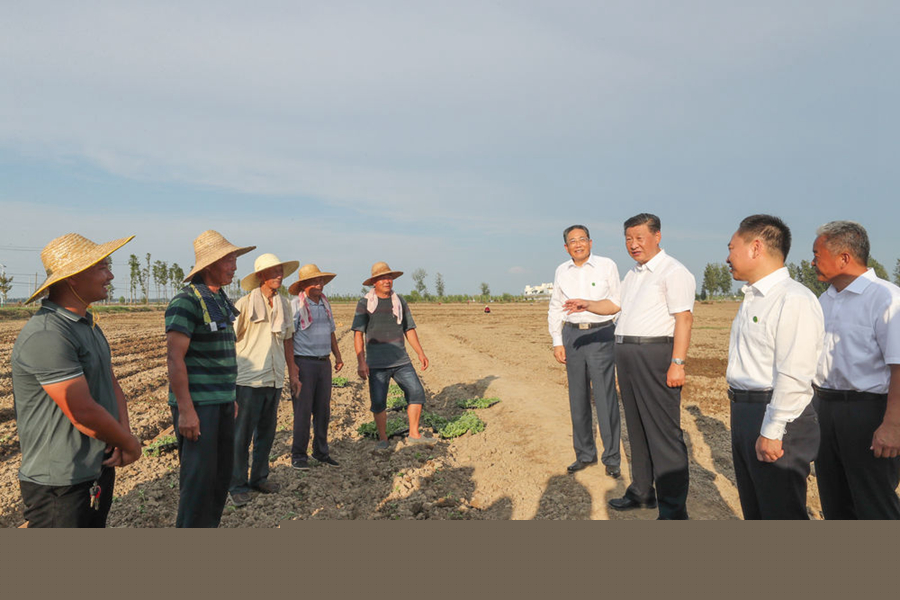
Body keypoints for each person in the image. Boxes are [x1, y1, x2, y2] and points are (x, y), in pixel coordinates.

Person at [566, 213, 695, 519]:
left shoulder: (674, 271)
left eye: (639, 238)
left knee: (663, 434)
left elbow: (684, 319)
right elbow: (615, 305)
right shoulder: (634, 274)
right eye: (628, 239)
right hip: (626, 355)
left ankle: (673, 511)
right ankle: (642, 492)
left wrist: (677, 363)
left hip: (655, 355)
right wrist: (588, 304)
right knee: (636, 429)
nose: (633, 244)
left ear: (657, 236)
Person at [11, 233, 142, 527]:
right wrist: (130, 443)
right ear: (73, 277)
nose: (110, 276)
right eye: (102, 268)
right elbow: (82, 411)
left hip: (96, 467)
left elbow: (111, 382)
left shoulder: (88, 325)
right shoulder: (48, 334)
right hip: (61, 482)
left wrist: (122, 434)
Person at [725, 214, 823, 519]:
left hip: (777, 416)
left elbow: (794, 373)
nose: (728, 258)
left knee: (781, 513)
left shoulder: (793, 299)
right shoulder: (753, 297)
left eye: (731, 248)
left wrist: (772, 429)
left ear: (756, 247)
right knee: (756, 511)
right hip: (745, 412)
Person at [811, 221, 900, 519]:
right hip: (825, 409)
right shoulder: (824, 300)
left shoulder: (886, 298)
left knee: (874, 505)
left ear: (844, 258)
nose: (812, 262)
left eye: (817, 255)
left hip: (868, 413)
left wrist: (893, 425)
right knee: (835, 503)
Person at [166, 230, 255, 527]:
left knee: (218, 479)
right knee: (198, 484)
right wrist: (186, 410)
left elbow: (223, 356)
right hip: (199, 407)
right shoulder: (186, 302)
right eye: (229, 260)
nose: (234, 266)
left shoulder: (219, 300)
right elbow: (175, 359)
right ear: (209, 264)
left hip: (222, 403)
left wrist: (230, 398)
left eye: (234, 259)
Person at [548, 224, 622, 477]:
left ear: (590, 242)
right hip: (572, 336)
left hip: (601, 333)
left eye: (582, 239)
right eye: (572, 241)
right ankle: (584, 454)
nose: (578, 244)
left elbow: (617, 302)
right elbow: (556, 307)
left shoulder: (607, 265)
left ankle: (612, 458)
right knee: (577, 398)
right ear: (566, 247)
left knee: (605, 397)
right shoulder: (561, 271)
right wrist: (558, 341)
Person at [228, 253, 300, 506]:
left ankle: (259, 478)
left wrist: (293, 373)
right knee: (241, 436)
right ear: (261, 276)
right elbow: (231, 339)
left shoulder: (285, 304)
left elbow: (288, 339)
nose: (279, 275)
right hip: (249, 379)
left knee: (267, 434)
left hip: (274, 377)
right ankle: (236, 485)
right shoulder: (245, 304)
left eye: (280, 271)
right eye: (274, 272)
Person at [352, 262, 432, 449]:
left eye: (389, 277)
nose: (387, 281)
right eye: (382, 278)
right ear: (374, 282)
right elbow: (358, 334)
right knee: (379, 402)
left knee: (416, 392)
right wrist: (361, 362)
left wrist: (420, 353)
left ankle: (414, 434)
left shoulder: (399, 301)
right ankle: (383, 439)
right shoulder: (365, 303)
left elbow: (409, 329)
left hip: (401, 361)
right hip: (376, 364)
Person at [288, 263, 344, 470]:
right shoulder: (296, 305)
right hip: (304, 363)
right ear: (304, 285)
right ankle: (298, 455)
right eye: (315, 281)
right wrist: (292, 367)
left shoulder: (325, 305)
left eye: (321, 281)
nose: (320, 284)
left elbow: (331, 332)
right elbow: (289, 337)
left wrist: (337, 355)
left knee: (323, 410)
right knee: (302, 411)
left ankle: (321, 451)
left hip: (323, 363)